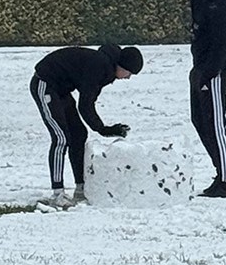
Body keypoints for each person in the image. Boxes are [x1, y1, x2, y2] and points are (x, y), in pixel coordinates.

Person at [29, 41, 143, 207]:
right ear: (121, 66)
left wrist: (102, 128)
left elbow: (88, 101)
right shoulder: (99, 66)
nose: (128, 77)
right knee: (61, 138)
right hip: (44, 84)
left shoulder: (106, 68)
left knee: (79, 134)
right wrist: (103, 129)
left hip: (61, 90)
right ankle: (57, 194)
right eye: (129, 73)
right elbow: (85, 105)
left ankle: (81, 188)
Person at [177, 0, 226, 198]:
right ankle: (219, 171)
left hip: (214, 69)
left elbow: (223, 39)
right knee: (199, 119)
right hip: (200, 66)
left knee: (214, 122)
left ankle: (225, 180)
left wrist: (210, 72)